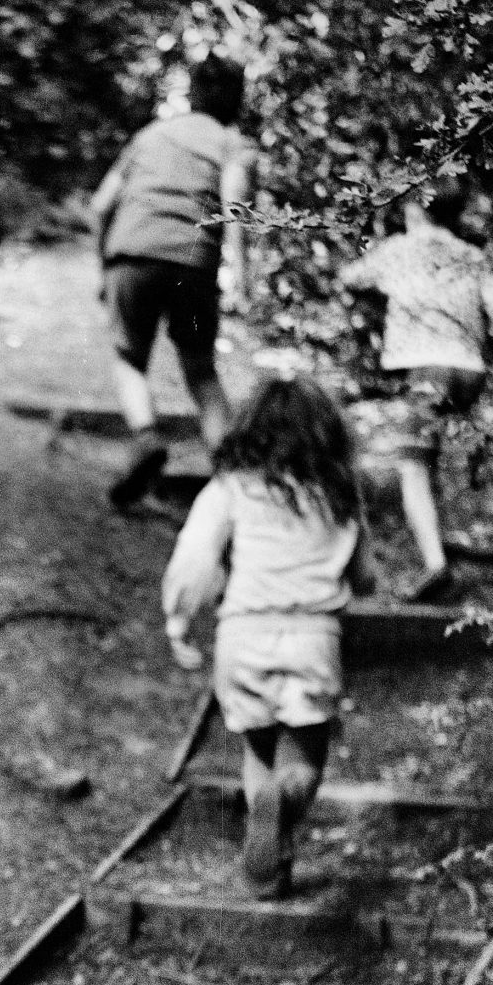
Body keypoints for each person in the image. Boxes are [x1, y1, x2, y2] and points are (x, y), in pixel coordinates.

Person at [161, 373, 371, 899]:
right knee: (304, 757)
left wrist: (179, 621)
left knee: (257, 748)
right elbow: (364, 575)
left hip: (242, 636)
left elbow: (194, 558)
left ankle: (270, 862)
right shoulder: (340, 493)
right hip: (312, 636)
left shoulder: (229, 489)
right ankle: (284, 804)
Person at [88, 53, 255, 509]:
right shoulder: (231, 143)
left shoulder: (151, 135)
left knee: (129, 359)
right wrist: (240, 275)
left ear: (193, 93)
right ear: (237, 99)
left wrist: (106, 267)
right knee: (201, 371)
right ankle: (230, 478)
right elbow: (234, 208)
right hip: (191, 265)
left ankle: (146, 437)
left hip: (132, 256)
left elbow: (101, 205)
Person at [337, 184, 493, 599]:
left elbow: (351, 279)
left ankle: (436, 565)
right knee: (432, 451)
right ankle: (448, 536)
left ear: (416, 209)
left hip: (426, 367)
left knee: (411, 464)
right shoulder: (471, 255)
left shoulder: (400, 248)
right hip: (470, 370)